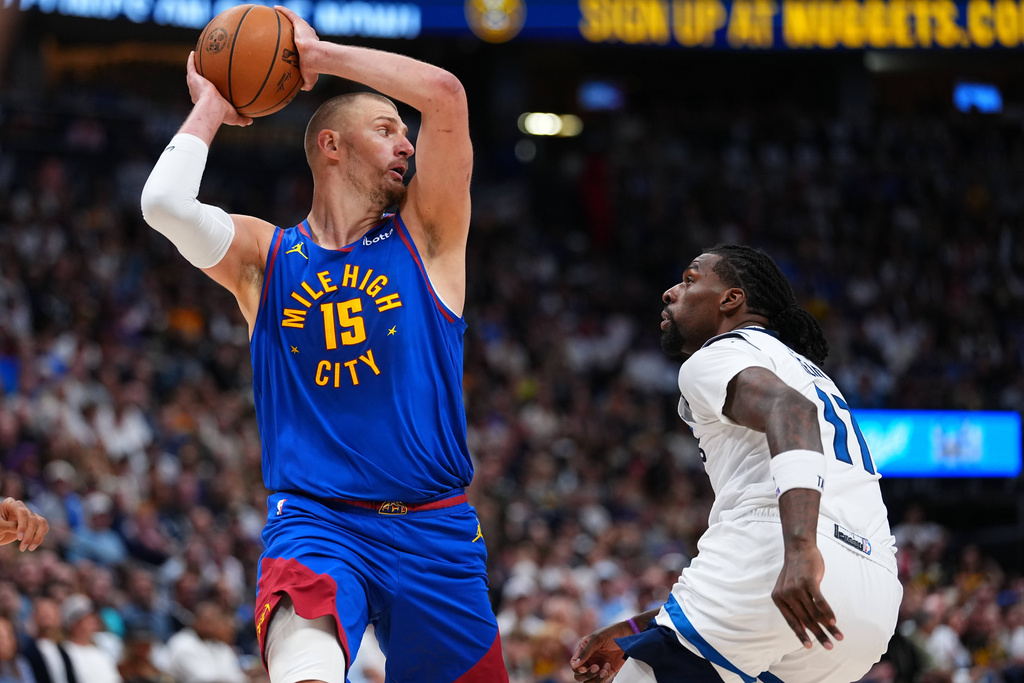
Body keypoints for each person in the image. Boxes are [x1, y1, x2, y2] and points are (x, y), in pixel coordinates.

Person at [140, 7, 506, 683]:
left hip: (437, 530)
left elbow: (446, 96)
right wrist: (215, 105)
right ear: (331, 146)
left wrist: (319, 52)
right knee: (304, 669)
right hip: (316, 523)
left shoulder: (427, 234)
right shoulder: (264, 255)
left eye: (406, 131)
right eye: (386, 129)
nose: (407, 144)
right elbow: (163, 204)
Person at [570, 245, 903, 683]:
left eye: (690, 280)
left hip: (787, 551)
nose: (671, 292)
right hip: (870, 598)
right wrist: (638, 628)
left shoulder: (718, 354)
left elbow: (791, 411)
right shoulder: (807, 371)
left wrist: (801, 549)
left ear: (731, 299)